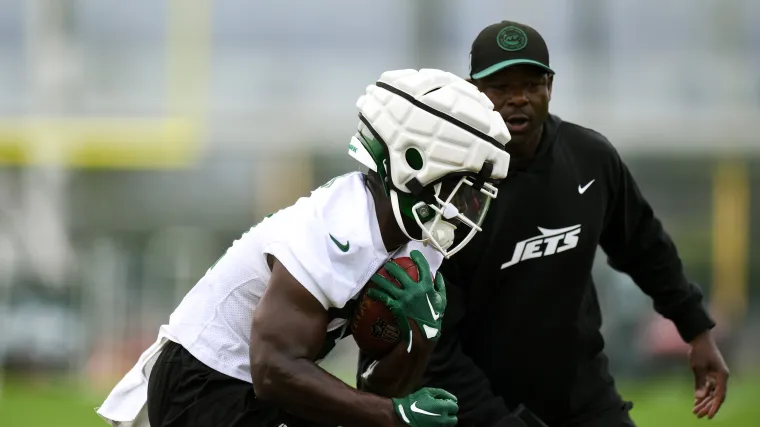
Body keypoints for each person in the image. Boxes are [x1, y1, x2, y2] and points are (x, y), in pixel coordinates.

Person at [358, 21, 730, 427]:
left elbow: (644, 246)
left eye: (532, 84)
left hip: (582, 396)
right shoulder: (446, 187)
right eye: (500, 86)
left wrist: (697, 330)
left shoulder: (590, 158)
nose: (518, 98)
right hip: (481, 405)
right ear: (473, 91)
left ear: (550, 85)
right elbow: (435, 342)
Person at [94, 68, 513, 427]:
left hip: (263, 384)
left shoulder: (420, 241)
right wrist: (392, 415)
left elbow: (376, 389)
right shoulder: (341, 225)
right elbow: (273, 369)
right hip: (204, 378)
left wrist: (418, 340)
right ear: (416, 161)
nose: (465, 208)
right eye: (462, 189)